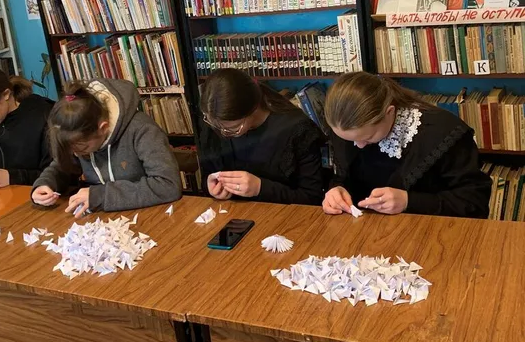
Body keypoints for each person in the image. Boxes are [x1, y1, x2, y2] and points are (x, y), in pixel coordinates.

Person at [323, 72, 491, 218]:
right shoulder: (346, 129)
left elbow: (475, 202)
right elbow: (343, 176)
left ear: (390, 112)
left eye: (368, 137)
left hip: (430, 231)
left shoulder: (443, 133)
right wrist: (336, 190)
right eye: (349, 140)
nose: (358, 145)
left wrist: (408, 201)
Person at [31, 78, 181, 217]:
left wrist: (100, 196)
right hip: (104, 219)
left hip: (150, 215)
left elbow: (168, 185)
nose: (75, 154)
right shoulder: (79, 134)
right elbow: (63, 166)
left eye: (82, 149)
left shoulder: (142, 130)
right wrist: (45, 183)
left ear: (103, 128)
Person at [198, 68, 325, 205]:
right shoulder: (216, 123)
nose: (223, 133)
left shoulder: (297, 129)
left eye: (233, 129)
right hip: (233, 212)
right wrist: (210, 187)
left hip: (284, 215)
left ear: (253, 108)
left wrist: (260, 188)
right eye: (217, 126)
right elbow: (207, 175)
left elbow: (312, 197)